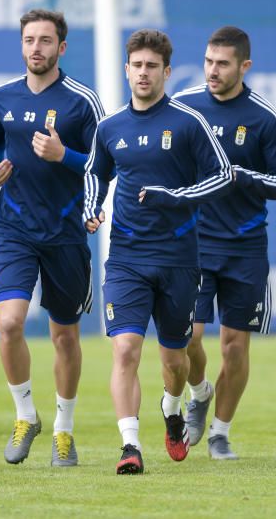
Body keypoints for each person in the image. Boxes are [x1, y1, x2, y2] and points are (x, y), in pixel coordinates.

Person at [84, 28, 233, 475]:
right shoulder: (110, 128)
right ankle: (129, 446)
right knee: (126, 349)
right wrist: (91, 208)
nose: (144, 73)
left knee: (175, 358)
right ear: (126, 70)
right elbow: (96, 174)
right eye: (137, 65)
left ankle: (172, 409)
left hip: (179, 260)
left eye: (153, 66)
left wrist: (177, 196)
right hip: (127, 258)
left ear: (167, 72)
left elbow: (222, 175)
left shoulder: (188, 123)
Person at [0, 9, 104, 466]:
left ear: (62, 48)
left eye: (46, 41)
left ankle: (64, 431)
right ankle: (25, 415)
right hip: (13, 228)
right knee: (9, 323)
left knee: (65, 337)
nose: (36, 48)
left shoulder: (82, 102)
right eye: (29, 40)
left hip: (65, 234)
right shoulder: (2, 97)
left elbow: (105, 163)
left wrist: (63, 154)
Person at [172, 26, 276, 460]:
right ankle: (200, 392)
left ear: (244, 66)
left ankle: (220, 433)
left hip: (245, 247)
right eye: (208, 61)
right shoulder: (184, 107)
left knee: (234, 346)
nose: (212, 70)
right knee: (188, 336)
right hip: (193, 244)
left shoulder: (264, 117)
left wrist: (246, 177)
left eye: (222, 63)